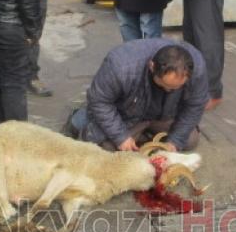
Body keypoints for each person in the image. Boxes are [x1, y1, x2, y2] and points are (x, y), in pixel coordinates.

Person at [68, 39, 208, 152]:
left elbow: (195, 106)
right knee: (108, 146)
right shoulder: (120, 66)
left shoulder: (196, 67)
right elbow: (99, 101)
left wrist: (175, 142)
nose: (169, 91)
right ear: (152, 67)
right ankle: (81, 117)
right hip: (126, 112)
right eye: (165, 85)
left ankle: (143, 133)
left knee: (189, 140)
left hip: (164, 114)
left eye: (176, 88)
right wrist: (121, 137)